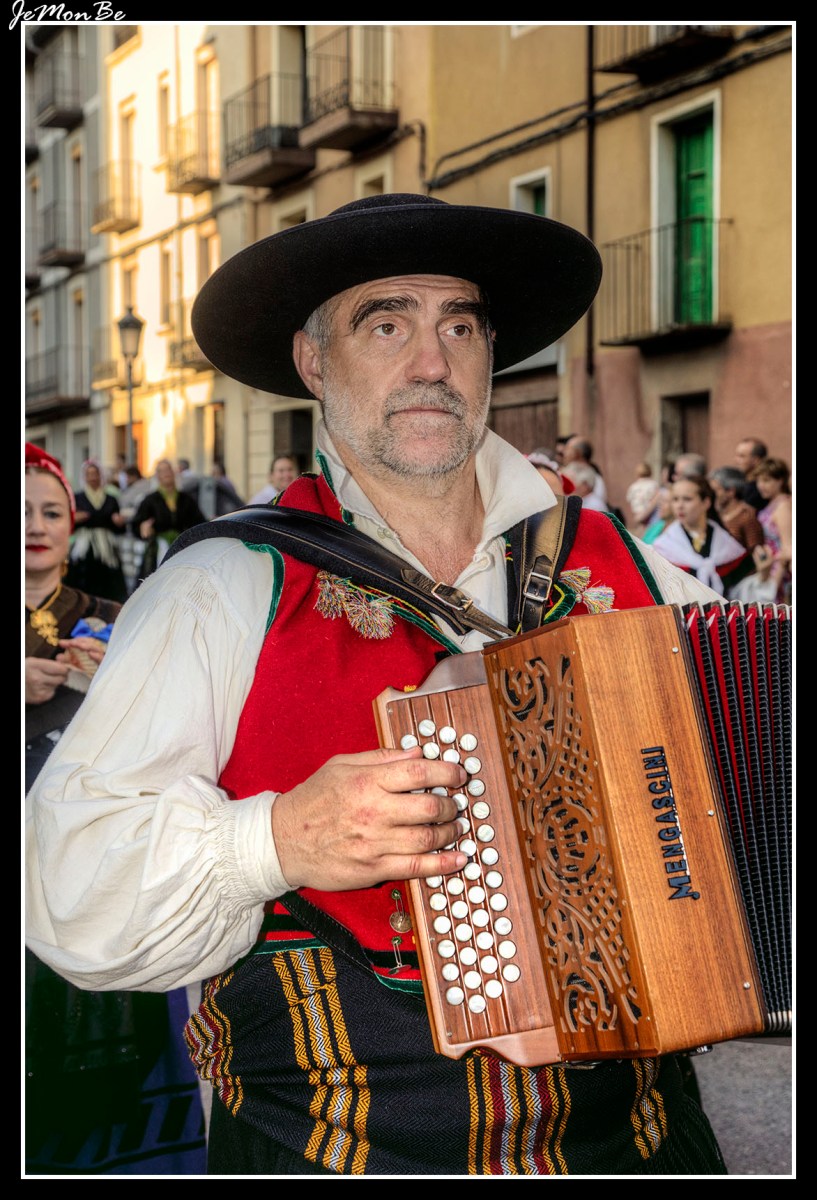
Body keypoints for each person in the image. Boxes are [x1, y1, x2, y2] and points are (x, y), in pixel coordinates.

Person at [27, 194, 731, 1177]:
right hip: (331, 1153)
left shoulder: (641, 571)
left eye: (460, 327)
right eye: (386, 324)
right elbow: (68, 886)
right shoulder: (223, 586)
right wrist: (275, 839)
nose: (432, 362)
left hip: (644, 1149)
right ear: (314, 362)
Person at [24, 444, 207, 1176]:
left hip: (92, 843)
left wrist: (125, 680)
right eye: (22, 512)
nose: (35, 526)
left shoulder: (114, 615)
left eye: (49, 511)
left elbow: (170, 727)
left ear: (71, 524)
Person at [652, 476, 752, 596]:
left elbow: (743, 590)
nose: (679, 506)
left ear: (706, 503)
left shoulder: (727, 544)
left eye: (687, 499)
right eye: (675, 499)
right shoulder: (663, 546)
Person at [64, 458, 128, 603]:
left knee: (109, 583)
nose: (92, 477)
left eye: (95, 474)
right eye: (89, 474)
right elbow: (68, 525)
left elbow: (120, 529)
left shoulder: (111, 499)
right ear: (84, 477)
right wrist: (74, 519)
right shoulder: (77, 498)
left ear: (101, 476)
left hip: (106, 548)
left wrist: (118, 522)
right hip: (83, 546)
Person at [133, 458, 206, 579]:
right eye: (161, 471)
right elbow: (136, 524)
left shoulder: (186, 499)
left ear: (173, 473)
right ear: (157, 476)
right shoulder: (150, 500)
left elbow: (199, 522)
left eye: (168, 469)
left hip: (183, 550)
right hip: (157, 552)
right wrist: (143, 527)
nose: (166, 473)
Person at [754, 456, 793, 603]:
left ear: (780, 480)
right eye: (759, 480)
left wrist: (776, 579)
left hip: (780, 571)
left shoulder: (783, 506)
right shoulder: (773, 503)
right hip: (769, 567)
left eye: (766, 480)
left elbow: (787, 546)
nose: (761, 485)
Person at [112, 463, 153, 595]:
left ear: (133, 476)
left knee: (136, 568)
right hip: (131, 535)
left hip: (137, 536)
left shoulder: (142, 488)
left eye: (127, 477)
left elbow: (137, 510)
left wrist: (125, 515)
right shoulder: (136, 488)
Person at [708, 466, 766, 553]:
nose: (712, 495)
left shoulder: (747, 517)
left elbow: (757, 552)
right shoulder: (715, 514)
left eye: (716, 490)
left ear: (731, 491)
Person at [734, 438, 768, 511]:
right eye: (736, 455)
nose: (736, 460)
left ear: (756, 460)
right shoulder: (744, 482)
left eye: (742, 456)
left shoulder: (758, 488)